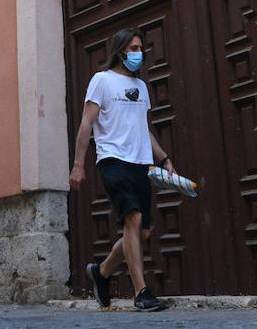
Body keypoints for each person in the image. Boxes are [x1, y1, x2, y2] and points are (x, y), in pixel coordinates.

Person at [68, 27, 176, 312]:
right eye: (134, 49)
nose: (139, 54)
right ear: (120, 52)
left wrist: (164, 159)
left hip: (141, 162)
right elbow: (86, 124)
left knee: (142, 233)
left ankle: (101, 273)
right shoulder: (101, 80)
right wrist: (78, 164)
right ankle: (141, 292)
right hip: (113, 160)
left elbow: (144, 129)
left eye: (141, 49)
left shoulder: (141, 87)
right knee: (133, 218)